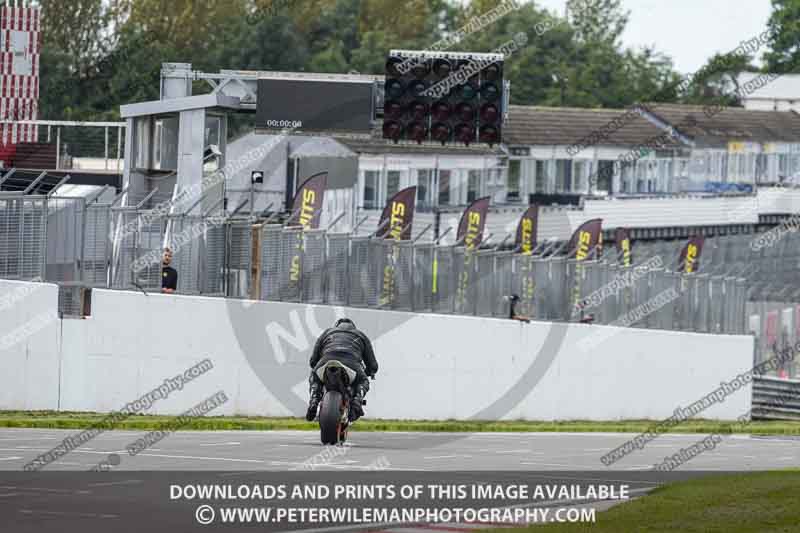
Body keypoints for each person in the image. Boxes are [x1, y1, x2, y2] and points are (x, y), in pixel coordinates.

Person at [306, 318, 378, 422]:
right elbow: (373, 366)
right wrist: (366, 374)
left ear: (336, 326)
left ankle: (314, 401)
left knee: (315, 378)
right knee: (363, 381)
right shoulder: (361, 335)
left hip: (326, 360)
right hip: (351, 362)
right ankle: (357, 402)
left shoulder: (327, 332)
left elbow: (313, 361)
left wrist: (316, 369)